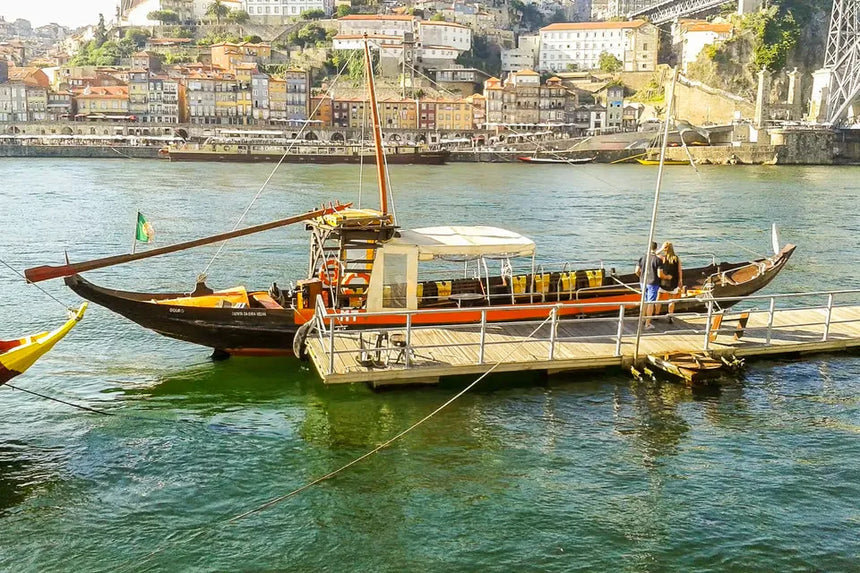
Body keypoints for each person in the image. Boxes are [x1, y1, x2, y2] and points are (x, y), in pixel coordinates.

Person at [635, 241, 660, 329]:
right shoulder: (657, 260)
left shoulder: (642, 258)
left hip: (643, 282)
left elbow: (636, 271)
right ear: (656, 248)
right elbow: (659, 274)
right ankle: (648, 323)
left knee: (644, 300)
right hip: (653, 282)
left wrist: (641, 276)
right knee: (651, 302)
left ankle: (642, 319)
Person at [656, 242, 683, 322]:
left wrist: (661, 248)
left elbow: (655, 254)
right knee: (671, 300)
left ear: (665, 249)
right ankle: (670, 316)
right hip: (673, 282)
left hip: (663, 282)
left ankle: (656, 314)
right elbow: (679, 270)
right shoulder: (676, 258)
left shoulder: (663, 258)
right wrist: (680, 280)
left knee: (659, 298)